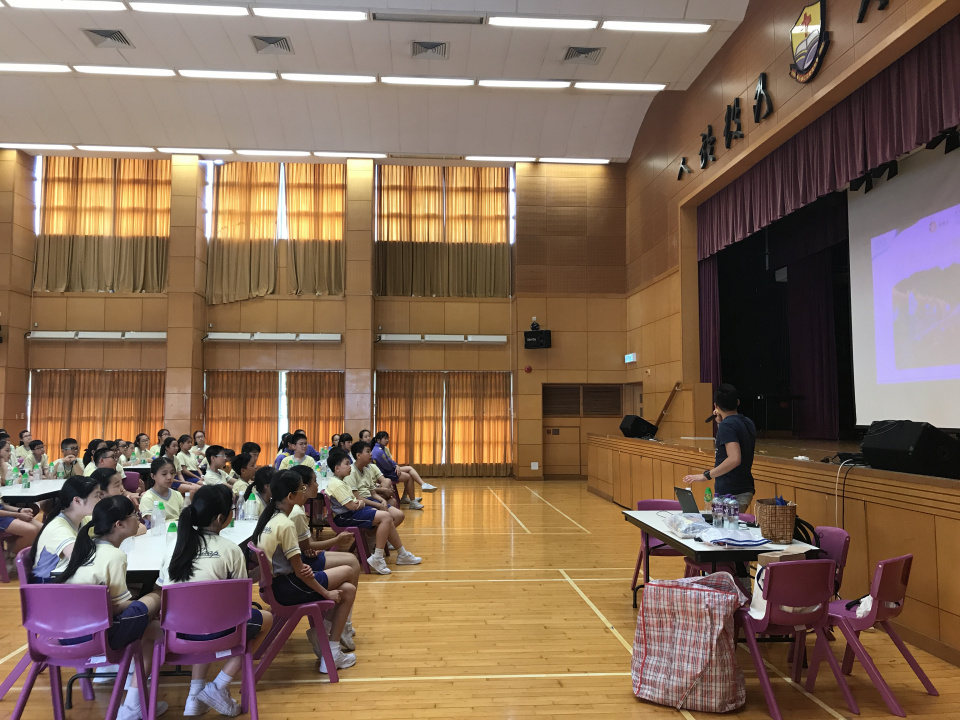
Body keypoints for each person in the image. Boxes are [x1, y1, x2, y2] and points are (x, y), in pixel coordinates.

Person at [159, 484, 273, 716]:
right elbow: (241, 600)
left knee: (201, 617)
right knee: (266, 619)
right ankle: (219, 685)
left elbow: (162, 589)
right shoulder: (231, 550)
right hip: (218, 632)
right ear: (222, 518)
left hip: (176, 634)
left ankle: (195, 696)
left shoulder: (174, 546)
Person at [56, 496, 167, 720]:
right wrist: (144, 603)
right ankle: (133, 704)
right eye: (134, 515)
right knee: (158, 604)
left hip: (66, 633)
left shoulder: (82, 549)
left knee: (149, 620)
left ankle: (132, 693)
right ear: (119, 525)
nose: (139, 520)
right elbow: (116, 607)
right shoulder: (115, 555)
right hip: (97, 636)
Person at [252, 470, 357, 673]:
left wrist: (303, 567)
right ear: (290, 496)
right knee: (348, 571)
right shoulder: (286, 524)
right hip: (287, 588)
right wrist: (326, 593)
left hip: (278, 585)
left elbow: (297, 565)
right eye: (301, 488)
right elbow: (300, 572)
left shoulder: (270, 518)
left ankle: (329, 648)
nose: (304, 491)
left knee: (347, 589)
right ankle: (329, 644)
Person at [288, 464, 359, 650]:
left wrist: (310, 548)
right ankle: (340, 626)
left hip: (301, 560)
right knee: (351, 564)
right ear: (303, 487)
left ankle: (339, 625)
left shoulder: (296, 509)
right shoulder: (296, 512)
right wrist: (336, 540)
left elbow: (305, 542)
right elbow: (305, 546)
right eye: (314, 481)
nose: (317, 485)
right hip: (299, 569)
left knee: (351, 568)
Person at [325, 451, 421, 575]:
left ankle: (402, 554)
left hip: (352, 512)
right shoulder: (337, 484)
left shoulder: (341, 481)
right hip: (345, 517)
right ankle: (378, 557)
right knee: (385, 517)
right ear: (337, 468)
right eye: (347, 464)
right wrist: (361, 503)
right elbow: (352, 506)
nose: (350, 466)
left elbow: (355, 502)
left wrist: (360, 503)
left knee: (387, 517)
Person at [683, 383, 757, 512]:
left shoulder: (727, 426)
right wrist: (720, 423)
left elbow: (734, 459)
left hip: (731, 493)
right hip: (743, 488)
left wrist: (706, 475)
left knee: (724, 525)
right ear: (738, 402)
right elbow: (731, 439)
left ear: (716, 406)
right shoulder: (747, 422)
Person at [30, 475, 103, 581]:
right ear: (77, 501)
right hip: (48, 584)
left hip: (65, 578)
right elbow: (80, 558)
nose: (100, 500)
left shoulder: (83, 519)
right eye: (96, 496)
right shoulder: (58, 528)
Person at [372, 432, 436, 509]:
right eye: (385, 439)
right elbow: (386, 466)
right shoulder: (378, 451)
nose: (387, 440)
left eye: (387, 438)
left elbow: (389, 461)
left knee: (409, 469)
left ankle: (412, 494)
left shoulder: (381, 449)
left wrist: (396, 465)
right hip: (386, 473)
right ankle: (413, 500)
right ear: (378, 440)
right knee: (409, 476)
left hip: (388, 470)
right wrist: (395, 467)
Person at [0, 438, 43, 551]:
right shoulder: (4, 466)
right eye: (7, 450)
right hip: (1, 517)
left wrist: (19, 510)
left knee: (41, 528)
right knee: (31, 530)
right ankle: (12, 557)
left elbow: (2, 505)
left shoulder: (5, 466)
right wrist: (18, 514)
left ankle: (11, 552)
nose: (10, 454)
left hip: (4, 511)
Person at [348, 441, 405, 524]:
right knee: (385, 516)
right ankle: (378, 531)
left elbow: (373, 493)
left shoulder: (367, 470)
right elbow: (357, 498)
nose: (371, 454)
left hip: (371, 499)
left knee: (399, 515)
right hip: (362, 504)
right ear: (358, 455)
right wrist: (378, 505)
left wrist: (382, 500)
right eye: (368, 452)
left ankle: (379, 531)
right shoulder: (351, 472)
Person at [140, 456, 185, 523]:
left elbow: (184, 517)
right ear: (153, 476)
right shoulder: (148, 498)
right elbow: (156, 523)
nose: (169, 477)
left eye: (172, 473)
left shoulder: (177, 495)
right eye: (164, 474)